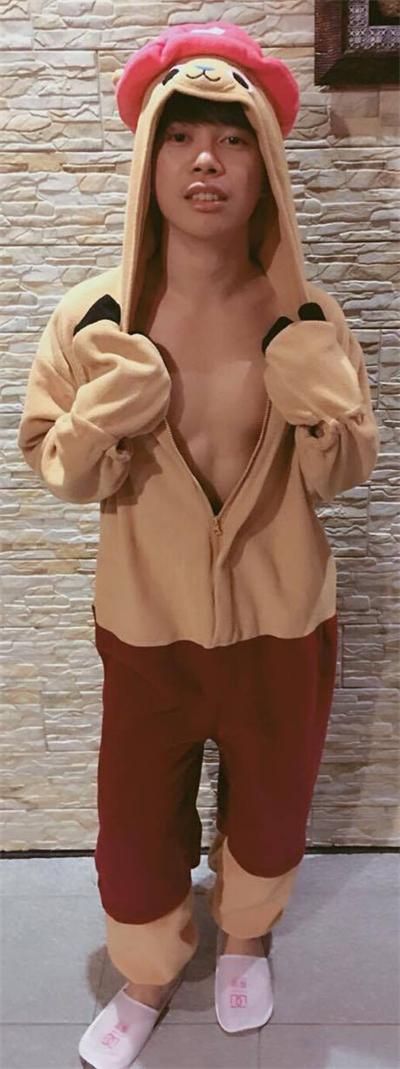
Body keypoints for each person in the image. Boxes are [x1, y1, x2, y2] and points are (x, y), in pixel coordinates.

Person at [17, 19, 380, 1069]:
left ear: (266, 164)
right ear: (149, 156)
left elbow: (345, 469)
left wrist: (319, 402)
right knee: (135, 826)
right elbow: (56, 465)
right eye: (181, 135)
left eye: (231, 135)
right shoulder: (92, 320)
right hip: (148, 629)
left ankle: (248, 938)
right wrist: (107, 408)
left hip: (284, 619)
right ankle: (145, 972)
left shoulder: (309, 315)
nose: (206, 160)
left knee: (271, 805)